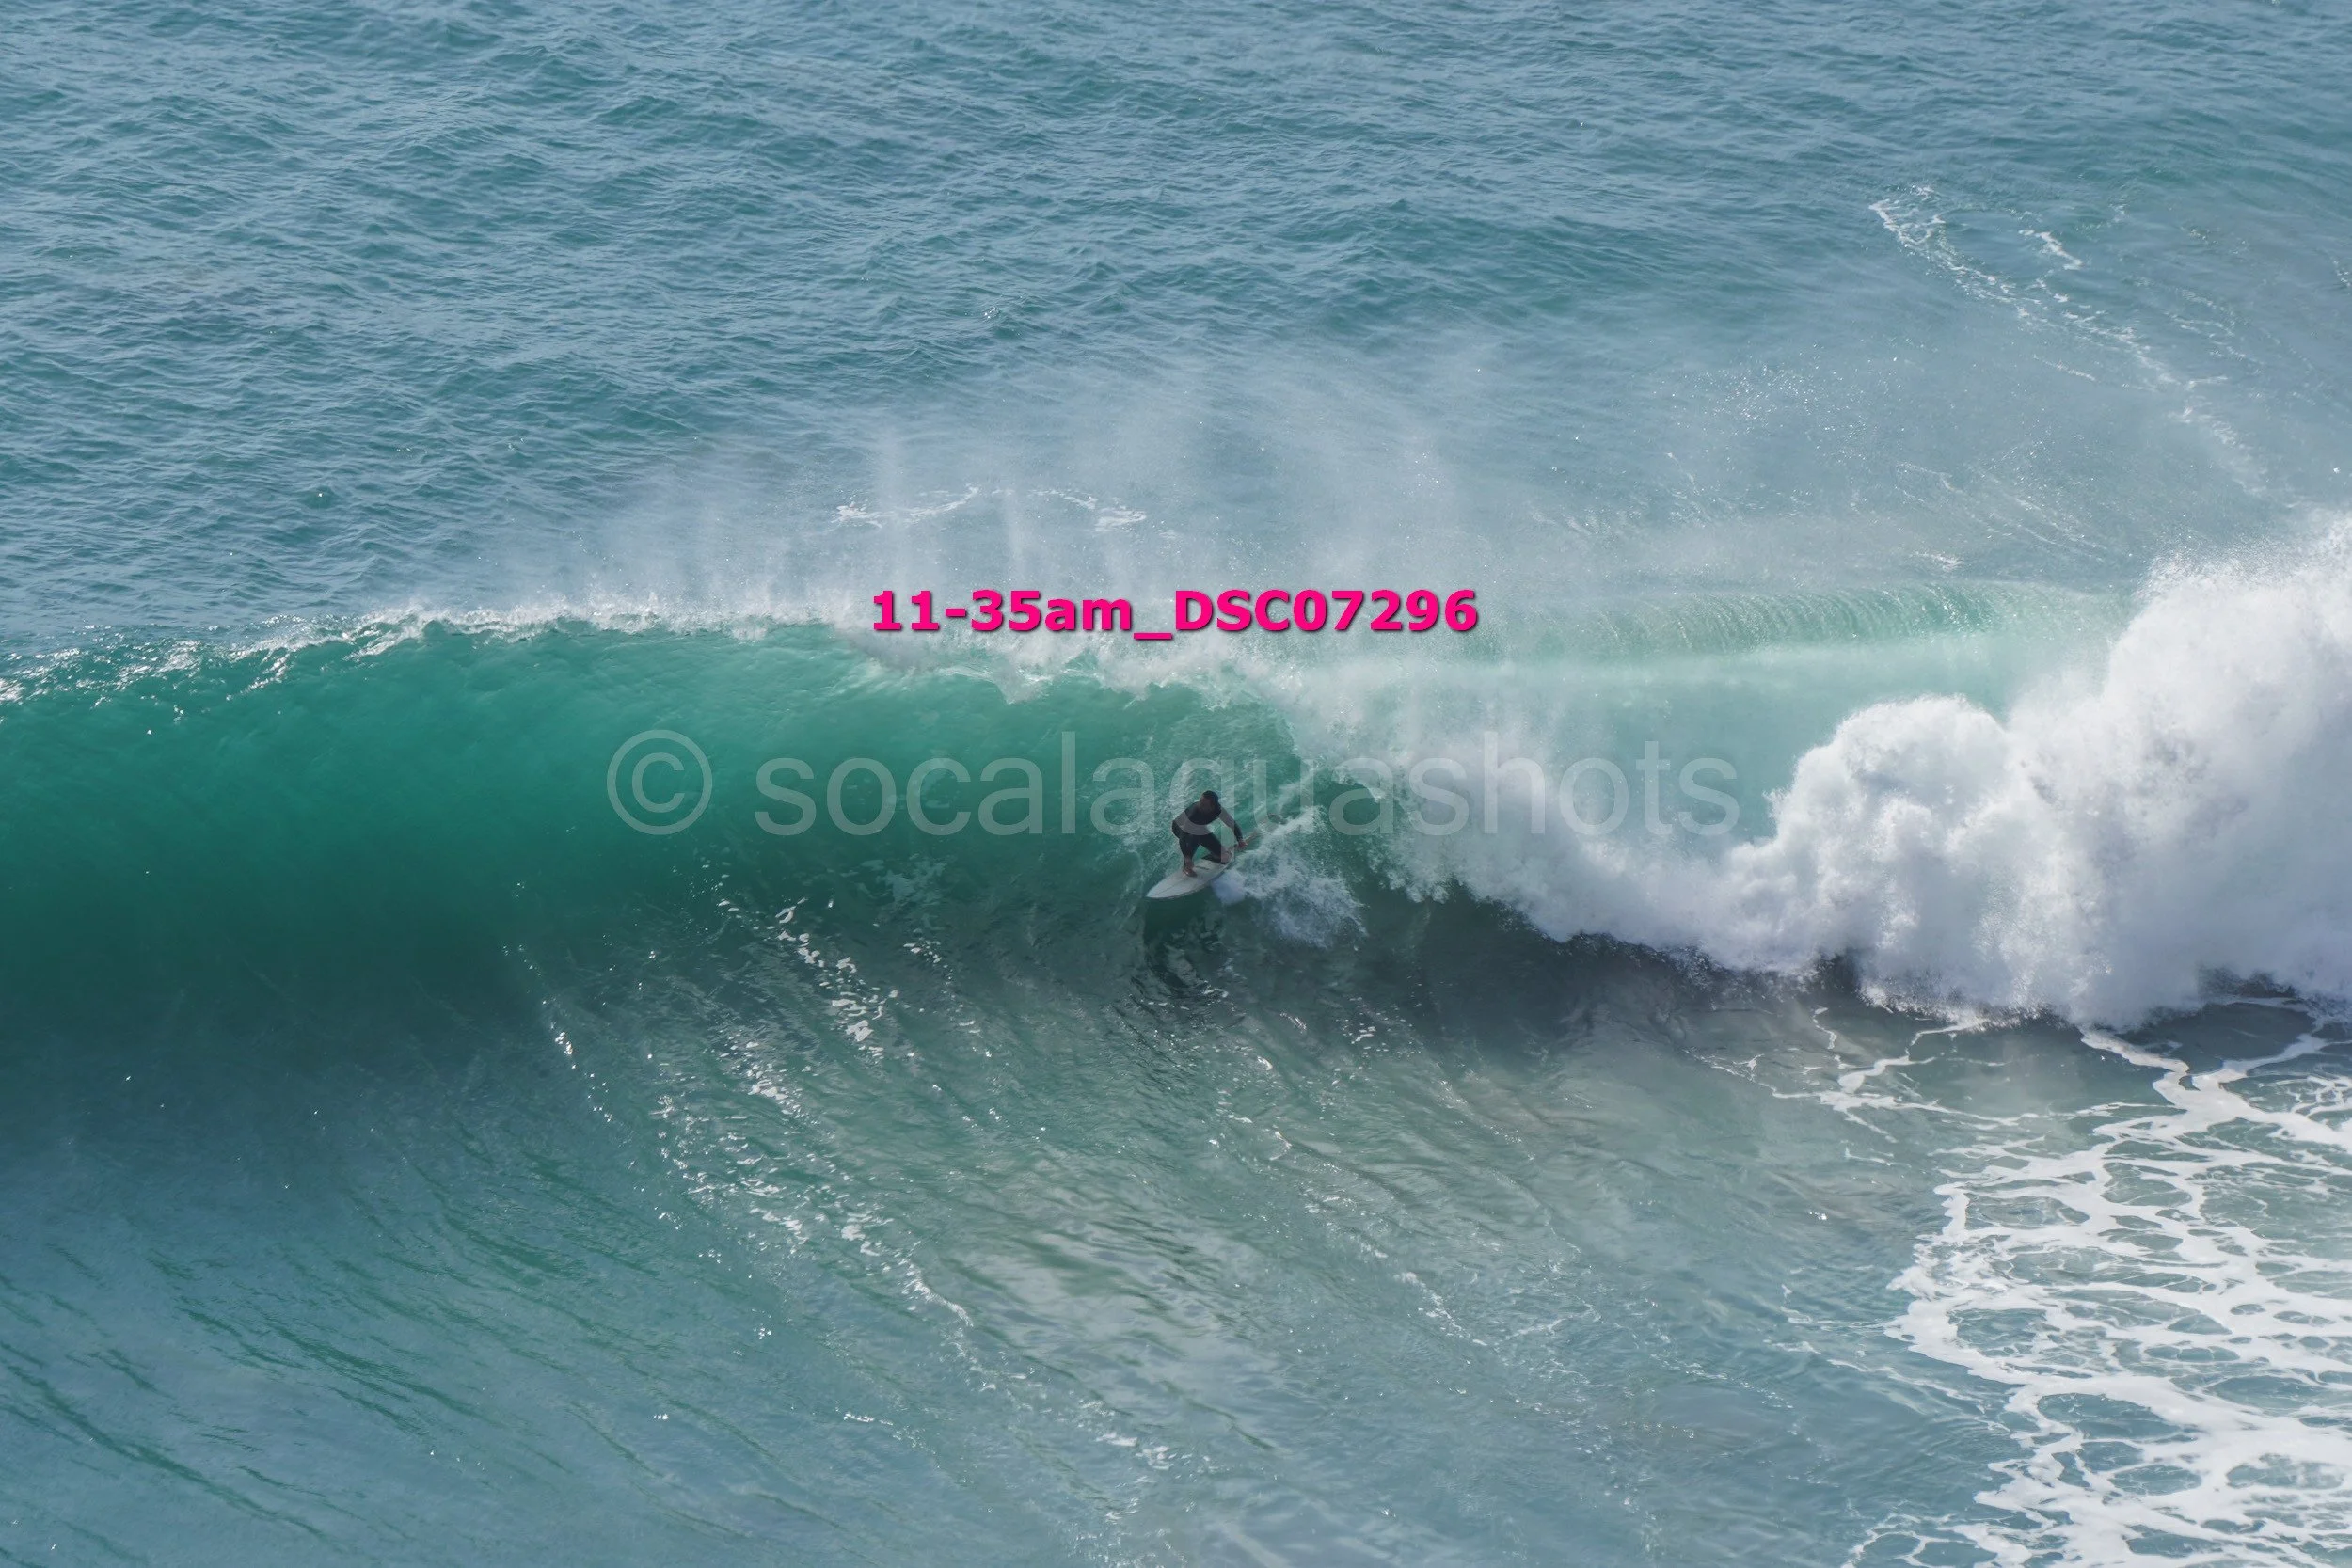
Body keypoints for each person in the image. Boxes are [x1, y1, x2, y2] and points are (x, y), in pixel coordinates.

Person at [1171, 790, 1248, 876]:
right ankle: (1186, 867)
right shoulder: (1194, 813)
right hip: (1179, 828)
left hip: (1198, 827)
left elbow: (1232, 824)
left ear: (1212, 806)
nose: (1200, 806)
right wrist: (1187, 857)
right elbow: (1183, 837)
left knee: (1224, 857)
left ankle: (1215, 854)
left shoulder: (1218, 810)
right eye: (1200, 802)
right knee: (1196, 836)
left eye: (1204, 805)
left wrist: (1240, 839)